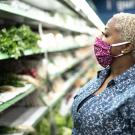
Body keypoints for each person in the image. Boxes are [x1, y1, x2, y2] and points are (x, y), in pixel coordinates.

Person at [71, 13, 135, 135]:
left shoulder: (131, 94)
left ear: (127, 47)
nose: (98, 39)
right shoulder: (104, 75)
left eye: (106, 34)